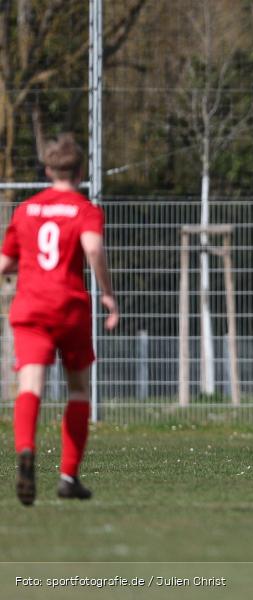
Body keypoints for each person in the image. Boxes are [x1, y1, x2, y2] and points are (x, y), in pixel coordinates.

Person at [0, 134, 119, 506]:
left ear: (48, 171)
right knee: (78, 389)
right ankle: (68, 476)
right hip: (68, 307)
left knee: (30, 385)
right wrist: (107, 293)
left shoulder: (26, 210)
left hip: (31, 307)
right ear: (80, 172)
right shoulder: (84, 209)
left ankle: (26, 449)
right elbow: (93, 248)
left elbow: (5, 262)